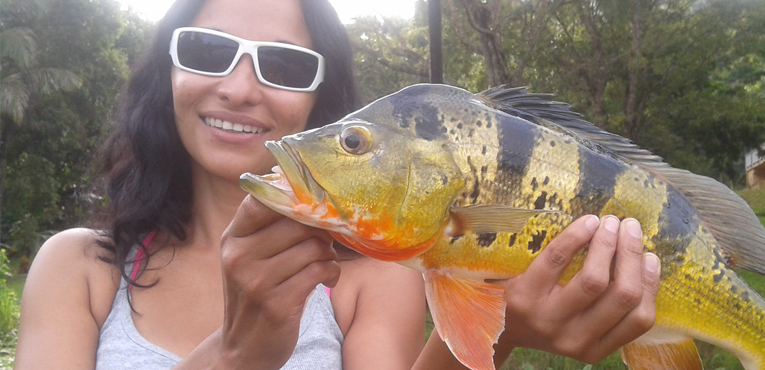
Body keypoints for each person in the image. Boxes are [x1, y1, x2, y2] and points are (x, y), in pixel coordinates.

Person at [13, 0, 662, 369]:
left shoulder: (377, 277)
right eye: (207, 51)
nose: (238, 88)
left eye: (285, 65)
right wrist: (239, 354)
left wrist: (506, 328)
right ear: (167, 73)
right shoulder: (77, 270)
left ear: (321, 101)